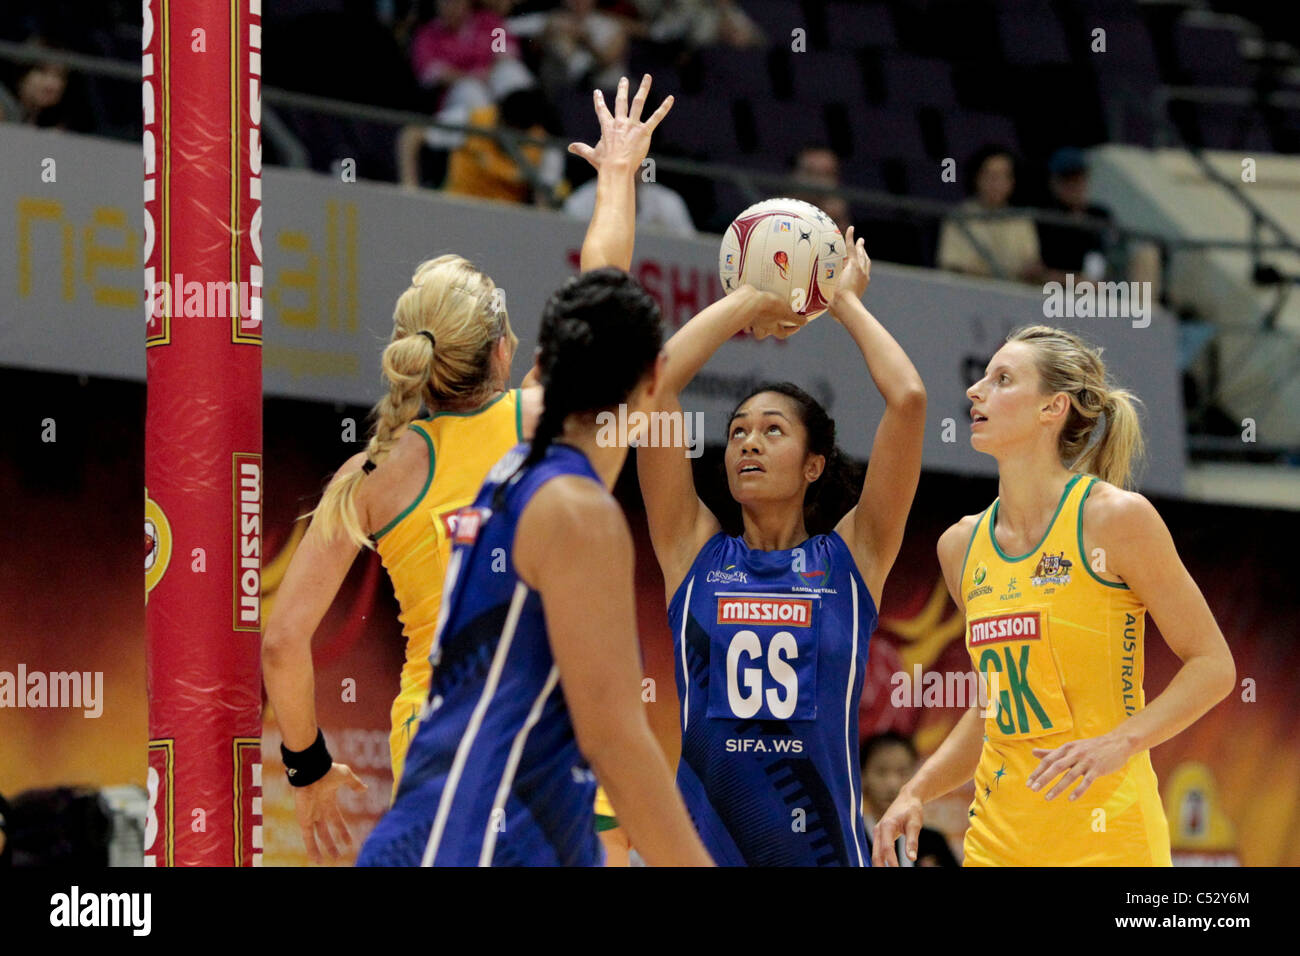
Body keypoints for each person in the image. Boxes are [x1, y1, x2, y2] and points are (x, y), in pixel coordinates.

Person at [262, 74, 673, 864]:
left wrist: (308, 768)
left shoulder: (370, 474)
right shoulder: (541, 421)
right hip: (552, 737)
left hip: (439, 748)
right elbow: (604, 286)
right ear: (500, 352)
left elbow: (283, 641)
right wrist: (618, 174)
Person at [356, 266, 730, 866]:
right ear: (653, 380)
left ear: (539, 367)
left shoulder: (520, 475)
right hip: (476, 833)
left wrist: (744, 303)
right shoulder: (576, 510)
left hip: (468, 819)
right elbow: (614, 741)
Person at [873, 325, 1236, 867]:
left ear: (1053, 408)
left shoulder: (1114, 519)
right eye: (981, 379)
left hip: (1110, 839)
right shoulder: (961, 545)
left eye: (1002, 380)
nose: (976, 392)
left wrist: (1123, 742)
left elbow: (1213, 666)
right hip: (998, 840)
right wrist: (916, 790)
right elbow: (992, 706)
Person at [637, 229, 927, 866]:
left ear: (813, 465)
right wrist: (748, 299)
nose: (748, 443)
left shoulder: (853, 558)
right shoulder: (692, 550)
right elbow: (654, 389)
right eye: (738, 431)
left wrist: (842, 299)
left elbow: (907, 401)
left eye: (772, 431)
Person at [937, 145, 1043, 282]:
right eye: (990, 175)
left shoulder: (1021, 218)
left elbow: (1032, 265)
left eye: (1003, 176)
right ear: (976, 178)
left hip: (1013, 296)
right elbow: (951, 266)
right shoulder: (959, 216)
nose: (996, 183)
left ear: (1012, 182)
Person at [860, 732, 957, 866]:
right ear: (862, 776)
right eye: (881, 772)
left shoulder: (933, 842)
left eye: (902, 771)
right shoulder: (853, 840)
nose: (892, 784)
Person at [1036, 147, 1114, 284]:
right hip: (1060, 293)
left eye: (1079, 178)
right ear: (1054, 183)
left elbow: (1112, 253)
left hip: (1106, 290)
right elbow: (1042, 272)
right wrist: (1078, 281)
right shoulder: (1046, 220)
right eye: (1068, 180)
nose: (1074, 185)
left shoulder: (1101, 215)